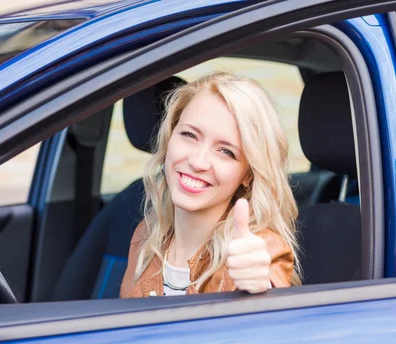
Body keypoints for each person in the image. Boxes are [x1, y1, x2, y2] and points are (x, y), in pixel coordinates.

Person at [119, 72, 301, 298]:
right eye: (189, 135)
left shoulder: (260, 249)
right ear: (169, 139)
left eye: (226, 151)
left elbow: (269, 286)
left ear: (249, 175)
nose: (197, 161)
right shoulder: (146, 236)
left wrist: (258, 287)